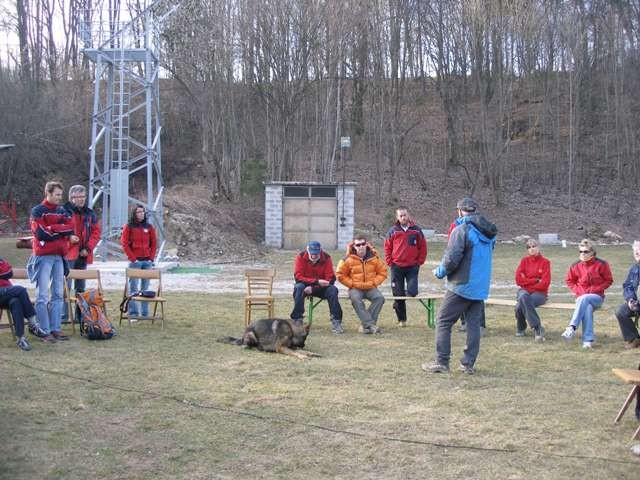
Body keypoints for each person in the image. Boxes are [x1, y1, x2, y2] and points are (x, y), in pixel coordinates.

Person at [423, 197, 497, 375]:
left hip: (462, 285)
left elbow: (451, 259)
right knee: (473, 325)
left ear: (459, 211)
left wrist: (439, 272)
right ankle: (467, 364)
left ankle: (442, 361)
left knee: (443, 321)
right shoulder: (490, 232)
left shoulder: (461, 230)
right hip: (480, 286)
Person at [27, 180, 75, 342]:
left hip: (59, 257)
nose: (59, 198)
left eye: (61, 195)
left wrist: (53, 229)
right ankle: (44, 330)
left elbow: (70, 228)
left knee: (57, 294)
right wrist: (59, 231)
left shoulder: (62, 210)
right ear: (48, 193)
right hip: (43, 257)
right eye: (57, 195)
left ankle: (56, 328)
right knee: (42, 295)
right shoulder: (37, 211)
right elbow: (41, 234)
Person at [562, 239, 613, 349]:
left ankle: (572, 327)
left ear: (592, 252)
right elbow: (569, 281)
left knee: (585, 299)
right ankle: (587, 341)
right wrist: (579, 291)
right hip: (581, 297)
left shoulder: (602, 264)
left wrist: (596, 289)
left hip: (597, 297)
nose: (582, 254)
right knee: (587, 308)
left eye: (585, 251)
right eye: (580, 251)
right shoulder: (575, 265)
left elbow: (608, 280)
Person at [384, 207, 427, 327]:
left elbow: (423, 247)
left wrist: (419, 261)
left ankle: (398, 301)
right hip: (396, 267)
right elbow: (387, 247)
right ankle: (402, 320)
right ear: (397, 218)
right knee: (398, 294)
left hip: (412, 267)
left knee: (412, 292)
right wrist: (389, 261)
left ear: (408, 215)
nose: (403, 217)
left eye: (405, 215)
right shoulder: (393, 231)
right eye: (401, 216)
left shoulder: (417, 230)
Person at [63, 185, 101, 322]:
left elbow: (96, 233)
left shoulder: (90, 213)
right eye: (79, 197)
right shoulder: (63, 211)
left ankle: (80, 316)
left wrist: (88, 248)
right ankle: (63, 316)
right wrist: (69, 237)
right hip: (68, 253)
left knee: (81, 287)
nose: (82, 200)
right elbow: (59, 229)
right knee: (65, 285)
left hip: (83, 254)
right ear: (72, 197)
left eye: (83, 197)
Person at [336, 236, 387, 334]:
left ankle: (366, 326)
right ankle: (371, 325)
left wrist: (374, 283)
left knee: (379, 298)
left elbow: (383, 272)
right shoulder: (347, 259)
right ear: (354, 246)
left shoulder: (374, 257)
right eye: (358, 245)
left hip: (370, 287)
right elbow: (340, 275)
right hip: (355, 288)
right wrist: (352, 284)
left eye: (363, 244)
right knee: (356, 299)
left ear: (366, 244)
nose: (361, 247)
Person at [290, 240, 344, 334]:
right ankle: (297, 320)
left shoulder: (326, 258)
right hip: (305, 286)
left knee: (333, 290)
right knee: (298, 287)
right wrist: (315, 281)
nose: (314, 256)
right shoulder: (301, 257)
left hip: (321, 287)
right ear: (307, 250)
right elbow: (298, 277)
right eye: (312, 253)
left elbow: (330, 279)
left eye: (316, 253)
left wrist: (314, 288)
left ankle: (336, 321)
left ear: (320, 251)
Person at [0, 258, 47, 350]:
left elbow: (9, 272)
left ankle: (20, 338)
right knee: (20, 290)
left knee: (16, 302)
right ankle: (33, 325)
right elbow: (5, 274)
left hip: (7, 292)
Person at [121, 204, 157, 319]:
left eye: (142, 212)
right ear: (134, 214)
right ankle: (133, 313)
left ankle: (145, 313)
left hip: (147, 261)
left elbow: (154, 243)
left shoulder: (149, 227)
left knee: (145, 289)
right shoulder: (129, 226)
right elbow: (125, 243)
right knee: (133, 288)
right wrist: (133, 258)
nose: (141, 214)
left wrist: (151, 258)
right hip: (135, 261)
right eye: (138, 212)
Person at [514, 238, 550, 342]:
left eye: (534, 246)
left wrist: (527, 282)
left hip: (540, 294)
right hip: (524, 291)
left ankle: (521, 328)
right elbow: (518, 280)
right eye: (529, 247)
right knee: (524, 296)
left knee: (520, 305)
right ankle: (538, 328)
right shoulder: (524, 261)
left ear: (539, 247)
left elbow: (545, 283)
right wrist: (535, 280)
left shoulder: (545, 262)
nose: (531, 249)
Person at [615, 240, 640, 349]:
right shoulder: (634, 268)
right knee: (621, 312)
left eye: (639, 250)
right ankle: (634, 338)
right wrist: (630, 299)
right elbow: (627, 285)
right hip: (637, 302)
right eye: (635, 251)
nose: (637, 253)